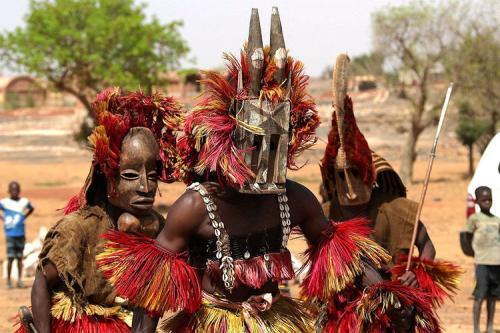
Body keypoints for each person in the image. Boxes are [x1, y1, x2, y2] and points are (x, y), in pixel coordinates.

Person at [97, 8, 441, 333]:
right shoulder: (195, 206)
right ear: (230, 141)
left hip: (274, 320)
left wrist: (389, 294)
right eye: (256, 143)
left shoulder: (294, 198)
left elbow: (345, 260)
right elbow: (152, 294)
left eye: (276, 144)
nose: (265, 157)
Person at [15, 88, 184, 333]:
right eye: (130, 175)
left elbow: (151, 297)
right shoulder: (78, 228)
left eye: (153, 175)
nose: (145, 187)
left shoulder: (159, 227)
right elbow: (41, 281)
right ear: (109, 183)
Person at [318, 54, 461, 331]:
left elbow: (426, 244)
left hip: (396, 313)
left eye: (356, 173)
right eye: (341, 176)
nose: (349, 185)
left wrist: (416, 272)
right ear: (332, 181)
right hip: (344, 314)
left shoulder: (396, 209)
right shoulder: (324, 215)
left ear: (370, 174)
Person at [465, 186, 500, 333]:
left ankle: (490, 327)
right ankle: (476, 328)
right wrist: (475, 254)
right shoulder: (474, 219)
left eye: (490, 199)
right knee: (480, 295)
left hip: (496, 263)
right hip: (482, 263)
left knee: (493, 296)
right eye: (484, 200)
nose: (487, 202)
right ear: (478, 201)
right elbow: (467, 237)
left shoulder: (497, 219)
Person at [0, 181, 34, 289]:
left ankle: (20, 280)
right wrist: (3, 219)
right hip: (10, 234)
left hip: (20, 233)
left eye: (16, 190)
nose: (14, 192)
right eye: (12, 190)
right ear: (9, 191)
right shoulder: (4, 202)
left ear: (19, 191)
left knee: (20, 258)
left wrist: (24, 216)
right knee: (10, 258)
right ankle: (9, 281)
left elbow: (31, 208)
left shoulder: (24, 202)